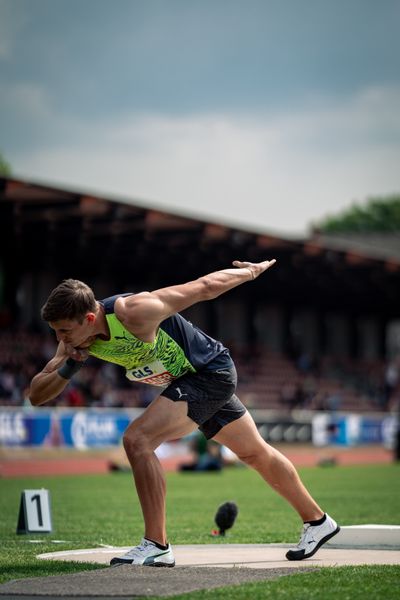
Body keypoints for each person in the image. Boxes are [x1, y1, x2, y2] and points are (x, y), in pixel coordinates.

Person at [29, 259, 340, 566]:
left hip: (209, 372)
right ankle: (317, 521)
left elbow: (202, 288)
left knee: (137, 440)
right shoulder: (73, 343)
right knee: (255, 453)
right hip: (187, 381)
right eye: (56, 332)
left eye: (64, 331)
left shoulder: (134, 311)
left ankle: (156, 545)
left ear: (88, 317)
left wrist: (249, 271)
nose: (60, 339)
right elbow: (37, 395)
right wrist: (71, 364)